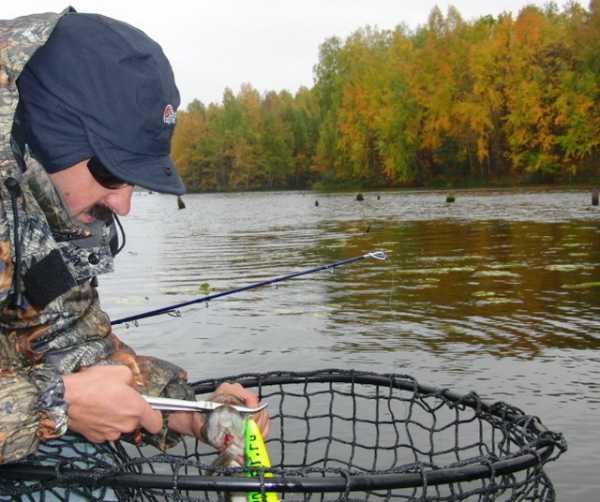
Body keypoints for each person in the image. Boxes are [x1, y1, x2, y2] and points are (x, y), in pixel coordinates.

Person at [0, 8, 268, 467]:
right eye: (109, 172)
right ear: (48, 137)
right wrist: (53, 404)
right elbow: (62, 396)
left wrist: (188, 413)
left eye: (135, 180)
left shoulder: (43, 198)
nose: (123, 204)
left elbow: (63, 339)